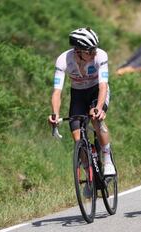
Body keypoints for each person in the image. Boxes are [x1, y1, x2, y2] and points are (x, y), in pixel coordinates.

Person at [48, 27, 116, 177]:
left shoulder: (101, 56)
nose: (93, 53)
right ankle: (89, 174)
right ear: (77, 51)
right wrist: (55, 114)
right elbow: (57, 91)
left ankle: (107, 159)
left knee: (95, 119)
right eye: (89, 51)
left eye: (94, 49)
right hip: (78, 94)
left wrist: (99, 108)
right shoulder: (63, 60)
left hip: (96, 91)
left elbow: (103, 85)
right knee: (76, 136)